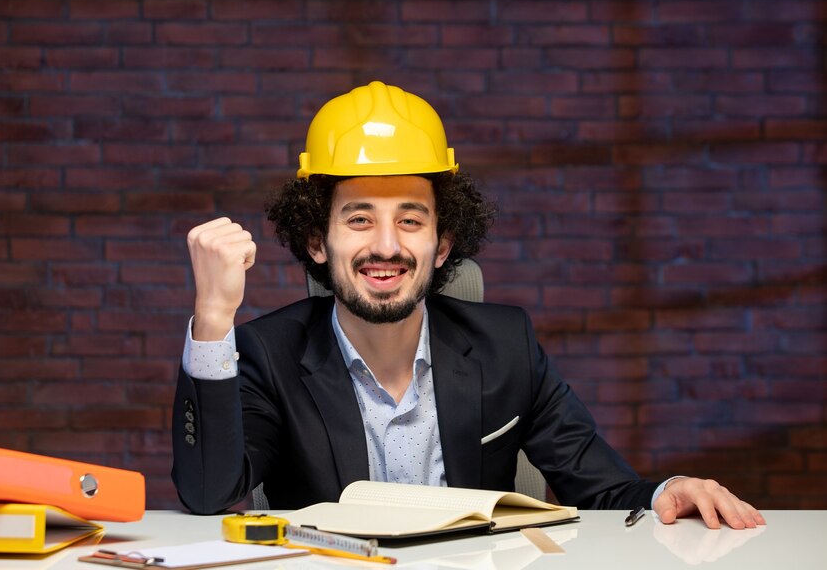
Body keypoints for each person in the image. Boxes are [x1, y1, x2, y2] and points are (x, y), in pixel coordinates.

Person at [172, 81, 765, 530]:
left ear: (444, 243)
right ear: (316, 241)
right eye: (358, 220)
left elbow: (601, 487)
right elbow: (208, 494)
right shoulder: (267, 355)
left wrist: (669, 491)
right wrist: (214, 319)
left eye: (411, 219)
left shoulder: (507, 345)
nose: (385, 245)